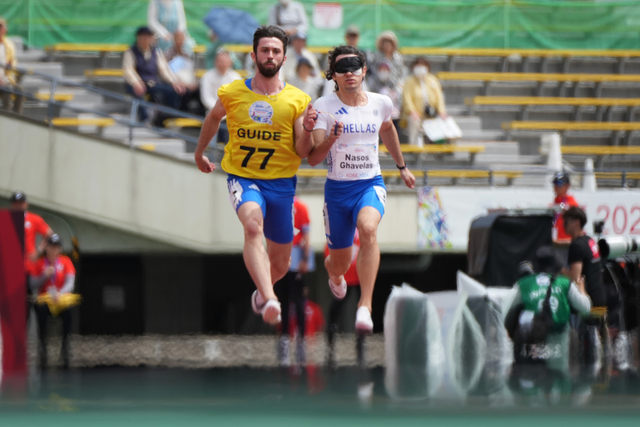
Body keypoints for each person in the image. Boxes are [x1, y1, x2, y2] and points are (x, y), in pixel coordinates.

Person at [194, 25, 317, 325]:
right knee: (252, 227)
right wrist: (200, 153)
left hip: (282, 185)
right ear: (254, 55)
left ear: (284, 57)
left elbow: (303, 151)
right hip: (244, 178)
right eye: (265, 50)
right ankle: (271, 299)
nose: (270, 55)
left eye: (276, 51)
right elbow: (212, 118)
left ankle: (262, 293)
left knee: (281, 262)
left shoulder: (297, 99)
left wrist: (311, 130)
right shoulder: (233, 91)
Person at [308, 45, 416, 332]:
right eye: (342, 69)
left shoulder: (380, 102)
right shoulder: (323, 106)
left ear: (364, 70)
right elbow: (313, 157)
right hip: (337, 191)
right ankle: (335, 276)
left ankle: (365, 306)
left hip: (370, 183)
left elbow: (388, 129)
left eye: (354, 67)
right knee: (338, 263)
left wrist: (402, 167)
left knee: (368, 229)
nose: (349, 73)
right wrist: (331, 139)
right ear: (333, 76)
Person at [275, 196, 315, 365]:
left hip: (288, 254)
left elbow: (305, 235)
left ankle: (291, 339)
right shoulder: (300, 206)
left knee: (290, 300)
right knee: (292, 299)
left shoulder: (281, 204)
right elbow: (306, 235)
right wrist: (305, 259)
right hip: (290, 255)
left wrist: (305, 259)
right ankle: (291, 339)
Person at [29, 234, 76, 369]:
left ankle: (65, 346)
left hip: (60, 299)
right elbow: (32, 284)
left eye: (56, 247)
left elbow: (70, 283)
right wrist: (44, 275)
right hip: (45, 299)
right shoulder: (38, 263)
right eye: (51, 246)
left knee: (69, 311)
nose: (53, 249)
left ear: (59, 249)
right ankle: (42, 346)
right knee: (40, 309)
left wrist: (61, 294)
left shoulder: (66, 261)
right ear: (46, 248)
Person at [123, 26, 186, 125]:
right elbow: (128, 70)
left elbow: (163, 70)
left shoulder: (156, 52)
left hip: (152, 83)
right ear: (138, 38)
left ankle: (165, 117)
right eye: (143, 37)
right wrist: (136, 82)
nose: (145, 40)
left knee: (174, 91)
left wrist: (173, 82)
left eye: (148, 37)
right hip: (135, 83)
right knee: (139, 93)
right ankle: (145, 120)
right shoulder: (131, 51)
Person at [562, 207, 607, 308]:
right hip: (600, 298)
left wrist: (559, 270)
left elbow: (574, 276)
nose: (564, 225)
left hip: (587, 303)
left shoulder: (576, 246)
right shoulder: (589, 240)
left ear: (577, 222)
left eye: (566, 222)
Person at [326, 230, 360, 359]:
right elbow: (328, 254)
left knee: (362, 309)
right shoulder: (337, 235)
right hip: (344, 278)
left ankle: (360, 340)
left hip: (359, 278)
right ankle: (331, 337)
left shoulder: (361, 235)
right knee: (335, 309)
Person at [401, 57, 447, 147]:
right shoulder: (409, 82)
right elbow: (406, 99)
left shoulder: (433, 80)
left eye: (422, 66)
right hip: (414, 114)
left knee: (444, 121)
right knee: (414, 120)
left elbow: (439, 98)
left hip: (431, 114)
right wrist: (412, 112)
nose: (420, 68)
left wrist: (442, 112)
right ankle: (414, 147)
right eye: (418, 66)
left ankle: (440, 149)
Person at [200, 50, 242, 143]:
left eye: (224, 61)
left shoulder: (236, 77)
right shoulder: (208, 76)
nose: (222, 64)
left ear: (230, 62)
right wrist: (217, 109)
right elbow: (206, 97)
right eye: (220, 61)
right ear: (215, 62)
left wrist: (226, 110)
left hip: (230, 111)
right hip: (212, 109)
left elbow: (238, 98)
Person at [321, 26, 367, 97]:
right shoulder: (339, 55)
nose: (352, 39)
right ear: (346, 37)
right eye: (350, 36)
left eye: (354, 36)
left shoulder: (363, 54)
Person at [165, 30, 202, 114]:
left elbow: (192, 71)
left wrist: (194, 83)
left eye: (182, 38)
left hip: (188, 81)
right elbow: (168, 73)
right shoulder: (168, 54)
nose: (180, 40)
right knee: (185, 91)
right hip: (176, 83)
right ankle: (182, 113)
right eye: (178, 38)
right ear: (173, 39)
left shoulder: (187, 54)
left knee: (200, 90)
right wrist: (182, 83)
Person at [0, 17, 24, 114]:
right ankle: (7, 114)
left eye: (1, 27)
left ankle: (18, 116)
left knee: (20, 90)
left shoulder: (9, 45)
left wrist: (10, 67)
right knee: (7, 89)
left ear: (5, 30)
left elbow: (12, 63)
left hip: (6, 78)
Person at [551, 171, 579, 243]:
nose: (556, 187)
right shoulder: (554, 203)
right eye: (555, 183)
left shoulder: (572, 203)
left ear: (567, 186)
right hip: (556, 243)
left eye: (559, 184)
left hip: (567, 243)